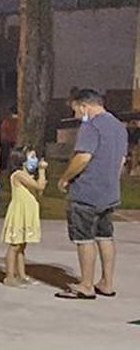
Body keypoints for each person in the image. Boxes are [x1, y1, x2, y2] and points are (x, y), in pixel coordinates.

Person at [56, 88, 126, 299]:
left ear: (85, 105)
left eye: (76, 110)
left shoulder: (91, 125)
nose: (77, 116)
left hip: (87, 191)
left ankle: (86, 285)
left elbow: (83, 157)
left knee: (84, 238)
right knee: (105, 235)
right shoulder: (118, 126)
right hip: (109, 191)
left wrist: (65, 177)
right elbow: (121, 160)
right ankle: (107, 282)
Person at [0, 147, 46, 288]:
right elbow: (40, 186)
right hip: (19, 212)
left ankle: (22, 275)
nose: (35, 160)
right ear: (22, 160)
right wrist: (42, 170)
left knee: (22, 246)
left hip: (29, 211)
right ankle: (9, 277)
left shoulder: (28, 177)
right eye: (32, 157)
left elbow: (39, 191)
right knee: (15, 245)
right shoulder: (19, 174)